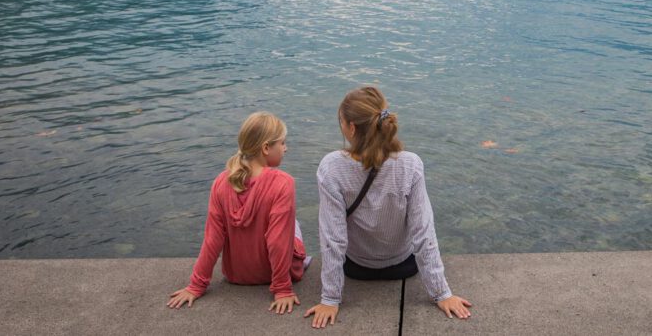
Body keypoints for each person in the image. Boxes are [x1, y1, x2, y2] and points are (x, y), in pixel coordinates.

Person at [304, 86, 473, 328]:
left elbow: (333, 238)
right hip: (403, 266)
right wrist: (442, 293)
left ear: (351, 128)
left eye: (341, 121)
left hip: (356, 268)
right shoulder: (410, 164)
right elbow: (423, 232)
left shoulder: (331, 168)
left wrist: (330, 299)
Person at [167, 111, 308, 314]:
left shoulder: (221, 182)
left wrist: (196, 285)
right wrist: (282, 289)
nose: (286, 148)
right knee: (293, 223)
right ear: (266, 148)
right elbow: (277, 241)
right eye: (282, 143)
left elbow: (213, 239)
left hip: (236, 275)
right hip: (273, 275)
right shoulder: (283, 182)